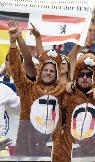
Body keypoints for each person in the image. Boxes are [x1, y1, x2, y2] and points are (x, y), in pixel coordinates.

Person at [7, 21, 66, 161]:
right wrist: (13, 42)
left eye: (52, 71)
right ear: (40, 71)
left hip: (51, 149)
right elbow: (16, 69)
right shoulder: (28, 88)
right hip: (27, 148)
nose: (48, 73)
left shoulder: (63, 91)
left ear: (57, 74)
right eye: (45, 69)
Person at [61, 53, 95, 161]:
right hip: (71, 155)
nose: (84, 78)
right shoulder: (67, 95)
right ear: (76, 76)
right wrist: (66, 85)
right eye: (81, 74)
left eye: (89, 75)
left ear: (94, 77)